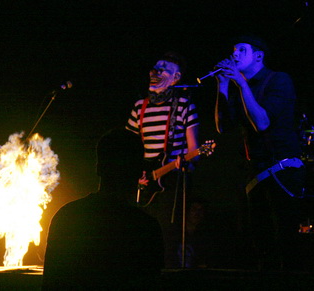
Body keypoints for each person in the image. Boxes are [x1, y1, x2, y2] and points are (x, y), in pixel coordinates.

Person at [214, 35, 304, 270]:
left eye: (241, 50)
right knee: (258, 238)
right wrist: (222, 85)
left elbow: (262, 123)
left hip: (282, 169)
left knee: (283, 235)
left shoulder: (279, 80)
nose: (234, 54)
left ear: (258, 56)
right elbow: (222, 127)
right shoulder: (239, 87)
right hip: (254, 170)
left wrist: (241, 83)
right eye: (233, 50)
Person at [42, 128, 163, 290]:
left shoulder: (66, 217)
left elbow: (51, 284)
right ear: (138, 172)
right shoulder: (146, 227)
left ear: (98, 168)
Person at [125, 51, 200, 268]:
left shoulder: (184, 105)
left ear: (176, 78)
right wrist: (135, 175)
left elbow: (194, 150)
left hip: (173, 182)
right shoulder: (139, 106)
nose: (156, 71)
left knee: (167, 236)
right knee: (140, 236)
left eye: (164, 69)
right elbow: (129, 147)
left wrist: (187, 165)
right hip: (144, 182)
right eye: (155, 67)